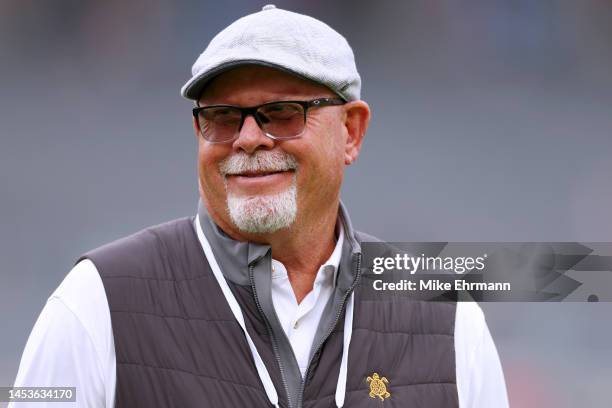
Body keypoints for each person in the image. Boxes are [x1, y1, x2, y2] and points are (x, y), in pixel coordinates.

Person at [11, 5, 508, 408]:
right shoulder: (97, 300)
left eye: (282, 113)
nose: (248, 139)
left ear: (351, 131)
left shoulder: (445, 315)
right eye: (223, 117)